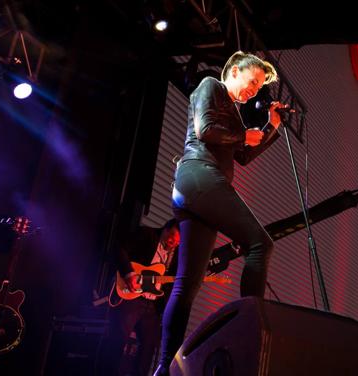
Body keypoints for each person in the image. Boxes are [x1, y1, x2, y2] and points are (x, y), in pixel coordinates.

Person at [153, 51, 285, 375]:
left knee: (187, 286)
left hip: (197, 192)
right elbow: (205, 129)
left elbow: (243, 156)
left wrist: (271, 128)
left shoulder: (237, 118)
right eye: (252, 81)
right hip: (198, 175)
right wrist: (244, 135)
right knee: (260, 244)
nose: (253, 90)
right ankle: (250, 342)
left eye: (258, 87)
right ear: (235, 70)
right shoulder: (210, 86)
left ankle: (162, 369)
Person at [101, 219, 180, 376]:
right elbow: (120, 249)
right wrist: (129, 273)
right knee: (117, 339)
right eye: (172, 237)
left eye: (177, 243)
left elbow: (171, 280)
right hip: (133, 297)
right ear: (166, 228)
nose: (173, 243)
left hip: (152, 305)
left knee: (147, 351)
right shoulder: (147, 234)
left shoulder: (177, 255)